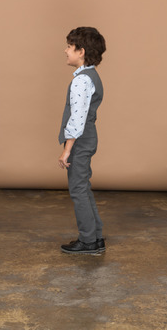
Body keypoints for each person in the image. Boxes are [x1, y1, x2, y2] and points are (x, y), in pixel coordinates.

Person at [58, 26, 106, 255]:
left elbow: (77, 118)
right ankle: (96, 238)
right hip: (88, 137)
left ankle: (87, 241)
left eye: (69, 46)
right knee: (83, 188)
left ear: (81, 51)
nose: (66, 50)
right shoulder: (91, 76)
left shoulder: (81, 81)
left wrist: (67, 149)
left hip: (81, 139)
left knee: (78, 190)